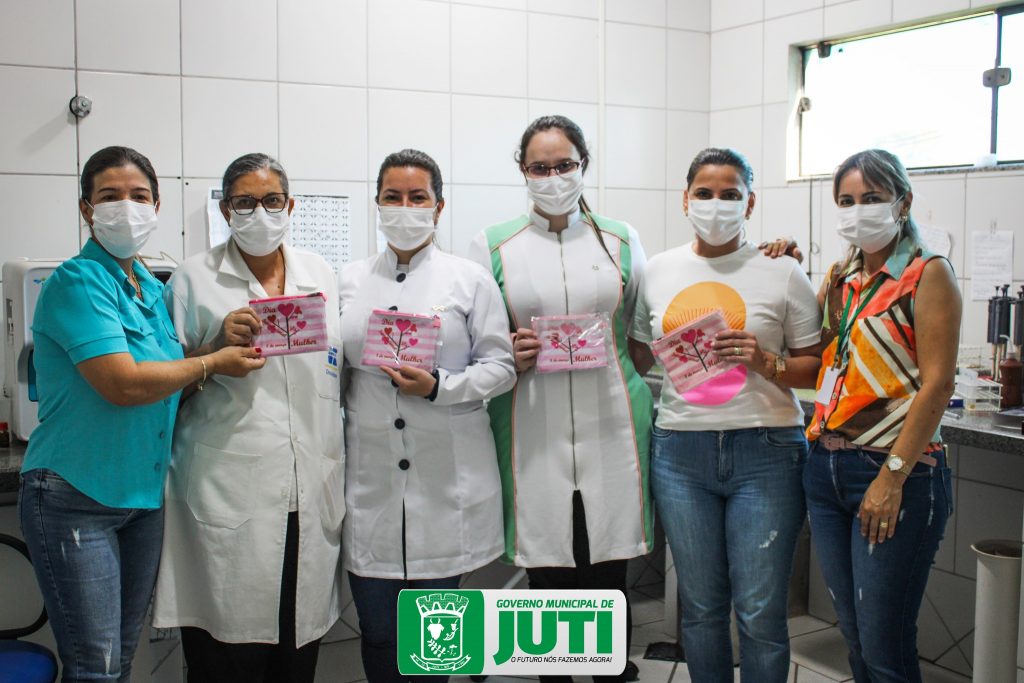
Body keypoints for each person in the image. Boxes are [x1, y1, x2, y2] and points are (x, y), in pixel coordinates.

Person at [18, 146, 264, 682]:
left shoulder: (150, 289)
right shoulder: (76, 282)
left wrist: (215, 346)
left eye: (138, 196)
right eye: (109, 197)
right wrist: (214, 362)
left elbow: (169, 378)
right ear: (86, 209)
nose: (125, 208)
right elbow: (123, 383)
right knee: (96, 667)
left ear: (157, 206)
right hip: (73, 495)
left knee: (120, 659)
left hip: (141, 500)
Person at [468, 115, 652, 682]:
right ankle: (555, 671)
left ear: (583, 166)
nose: (553, 176)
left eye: (564, 164)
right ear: (522, 171)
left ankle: (611, 667)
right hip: (531, 422)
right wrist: (512, 350)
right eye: (540, 167)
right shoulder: (494, 243)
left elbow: (640, 333)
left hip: (614, 421)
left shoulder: (619, 237)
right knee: (548, 559)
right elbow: (481, 342)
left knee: (608, 558)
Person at [151, 153, 345, 683]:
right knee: (225, 660)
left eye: (272, 201)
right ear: (225, 208)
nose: (260, 213)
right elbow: (162, 392)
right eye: (244, 202)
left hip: (308, 493)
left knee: (295, 655)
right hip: (225, 493)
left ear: (291, 206)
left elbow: (335, 376)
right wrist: (212, 353)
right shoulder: (193, 279)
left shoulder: (320, 274)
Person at [631, 147, 822, 682]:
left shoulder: (782, 271)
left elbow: (816, 368)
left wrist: (765, 361)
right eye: (705, 194)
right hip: (680, 455)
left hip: (767, 453)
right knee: (700, 607)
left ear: (751, 202)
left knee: (761, 612)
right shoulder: (658, 271)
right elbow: (639, 351)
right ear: (685, 200)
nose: (717, 205)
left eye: (730, 194)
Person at [339, 148, 516, 683]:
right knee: (378, 634)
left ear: (439, 207)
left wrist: (441, 386)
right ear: (377, 204)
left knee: (433, 645)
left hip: (447, 485)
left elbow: (502, 366)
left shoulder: (470, 280)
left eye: (418, 197)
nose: (405, 207)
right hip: (369, 485)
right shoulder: (346, 281)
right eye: (393, 197)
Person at [803, 149, 959, 683]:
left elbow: (938, 383)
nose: (857, 211)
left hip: (895, 473)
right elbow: (821, 355)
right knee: (854, 634)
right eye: (846, 201)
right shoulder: (842, 275)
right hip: (827, 467)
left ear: (903, 201)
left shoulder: (927, 273)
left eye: (871, 199)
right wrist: (784, 261)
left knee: (885, 641)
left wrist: (892, 476)